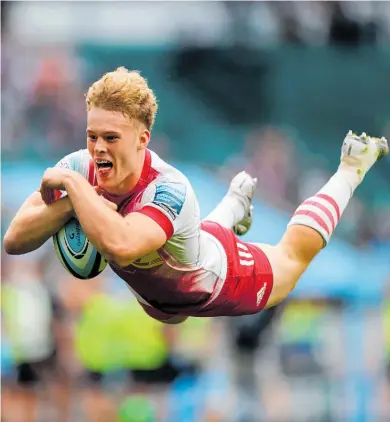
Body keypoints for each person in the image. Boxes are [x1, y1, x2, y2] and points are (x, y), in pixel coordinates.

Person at [4, 67, 388, 324]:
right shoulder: (81, 167)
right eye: (92, 137)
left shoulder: (169, 189)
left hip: (222, 282)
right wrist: (73, 199)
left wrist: (72, 189)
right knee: (174, 286)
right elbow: (15, 240)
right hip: (161, 293)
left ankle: (351, 168)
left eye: (110, 138)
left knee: (294, 255)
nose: (98, 148)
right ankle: (235, 204)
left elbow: (121, 245)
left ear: (142, 140)